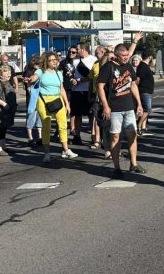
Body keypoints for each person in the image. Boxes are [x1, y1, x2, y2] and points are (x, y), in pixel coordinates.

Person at [97, 42, 145, 177]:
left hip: (129, 107)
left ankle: (133, 164)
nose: (126, 57)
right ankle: (117, 168)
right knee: (115, 137)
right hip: (114, 109)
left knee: (132, 135)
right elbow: (100, 86)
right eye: (123, 55)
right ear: (117, 55)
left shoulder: (129, 66)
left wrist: (139, 104)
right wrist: (106, 106)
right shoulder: (108, 67)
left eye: (127, 55)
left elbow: (133, 85)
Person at [28, 51, 77, 164]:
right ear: (46, 62)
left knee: (63, 125)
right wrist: (30, 79)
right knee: (46, 126)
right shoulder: (41, 71)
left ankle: (66, 149)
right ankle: (47, 153)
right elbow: (34, 77)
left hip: (57, 100)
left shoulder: (58, 73)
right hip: (44, 100)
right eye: (51, 60)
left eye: (55, 59)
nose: (54, 62)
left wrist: (67, 104)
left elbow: (62, 89)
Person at [63, 43, 97, 145]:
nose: (76, 52)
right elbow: (70, 73)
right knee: (77, 115)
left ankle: (94, 136)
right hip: (76, 91)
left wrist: (81, 80)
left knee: (91, 115)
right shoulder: (75, 60)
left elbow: (93, 76)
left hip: (89, 90)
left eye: (77, 49)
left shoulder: (93, 60)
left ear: (83, 49)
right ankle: (77, 136)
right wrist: (73, 80)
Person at [0, 64, 17, 157]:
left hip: (7, 111)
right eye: (6, 72)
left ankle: (3, 146)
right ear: (0, 74)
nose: (9, 74)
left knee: (4, 129)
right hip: (0, 111)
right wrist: (4, 104)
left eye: (9, 72)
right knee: (0, 129)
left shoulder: (7, 82)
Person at [133, 53, 156, 136]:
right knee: (147, 109)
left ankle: (139, 126)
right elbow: (137, 80)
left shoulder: (144, 66)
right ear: (150, 57)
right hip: (144, 91)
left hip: (147, 91)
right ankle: (138, 125)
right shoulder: (143, 66)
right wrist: (135, 88)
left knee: (145, 110)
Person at [22, 53, 42, 147]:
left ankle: (40, 137)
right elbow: (28, 87)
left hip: (40, 98)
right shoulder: (30, 72)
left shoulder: (40, 71)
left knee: (39, 117)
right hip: (32, 99)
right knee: (31, 117)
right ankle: (30, 138)